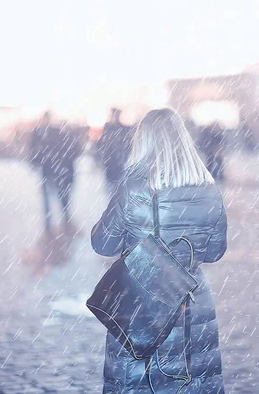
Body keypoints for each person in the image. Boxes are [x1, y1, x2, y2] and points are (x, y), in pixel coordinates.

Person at [91, 108, 227, 393]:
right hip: (193, 305)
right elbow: (214, 252)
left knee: (139, 383)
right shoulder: (209, 188)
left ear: (144, 141)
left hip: (142, 305)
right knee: (192, 381)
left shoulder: (134, 187)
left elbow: (102, 244)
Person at [30, 113, 84, 233]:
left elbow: (35, 151)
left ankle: (51, 223)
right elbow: (73, 152)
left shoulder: (43, 133)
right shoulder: (58, 133)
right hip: (55, 171)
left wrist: (36, 161)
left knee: (51, 198)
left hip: (50, 170)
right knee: (59, 197)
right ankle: (62, 220)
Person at [96, 108, 132, 194]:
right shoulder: (108, 129)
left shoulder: (122, 129)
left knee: (118, 187)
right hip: (110, 163)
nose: (115, 117)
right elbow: (101, 145)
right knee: (111, 187)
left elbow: (127, 145)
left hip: (119, 163)